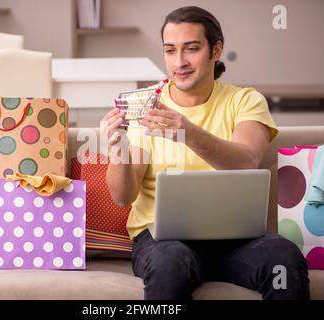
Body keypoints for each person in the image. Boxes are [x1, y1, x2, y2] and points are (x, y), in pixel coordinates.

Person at [101, 6, 310, 300]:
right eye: (170, 50)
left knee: (283, 259)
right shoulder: (144, 105)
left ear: (216, 50)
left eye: (191, 49)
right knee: (170, 263)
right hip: (163, 241)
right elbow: (123, 196)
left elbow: (246, 161)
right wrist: (117, 149)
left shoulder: (245, 101)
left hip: (237, 240)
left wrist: (187, 132)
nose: (179, 62)